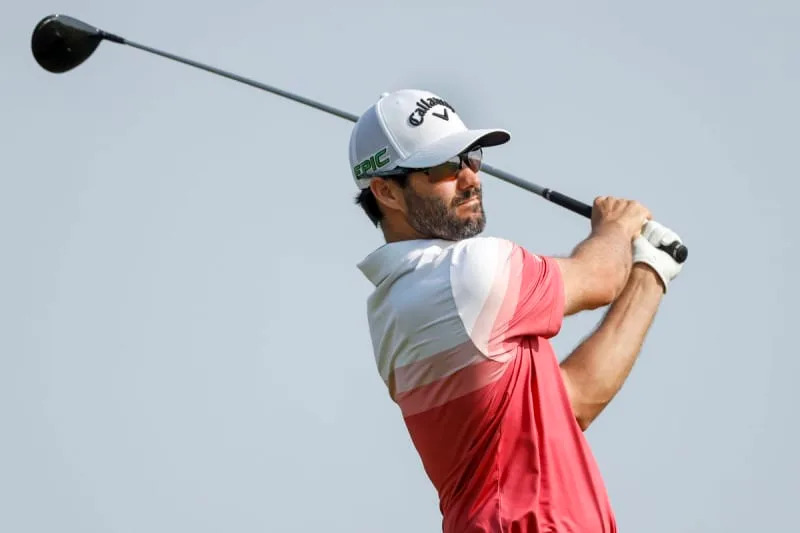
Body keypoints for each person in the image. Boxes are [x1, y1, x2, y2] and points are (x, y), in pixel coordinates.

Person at [349, 89, 685, 533]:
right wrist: (616, 226)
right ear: (386, 191)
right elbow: (600, 277)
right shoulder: (462, 274)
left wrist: (649, 273)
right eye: (446, 166)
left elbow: (573, 403)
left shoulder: (404, 301)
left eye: (472, 157)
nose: (471, 178)